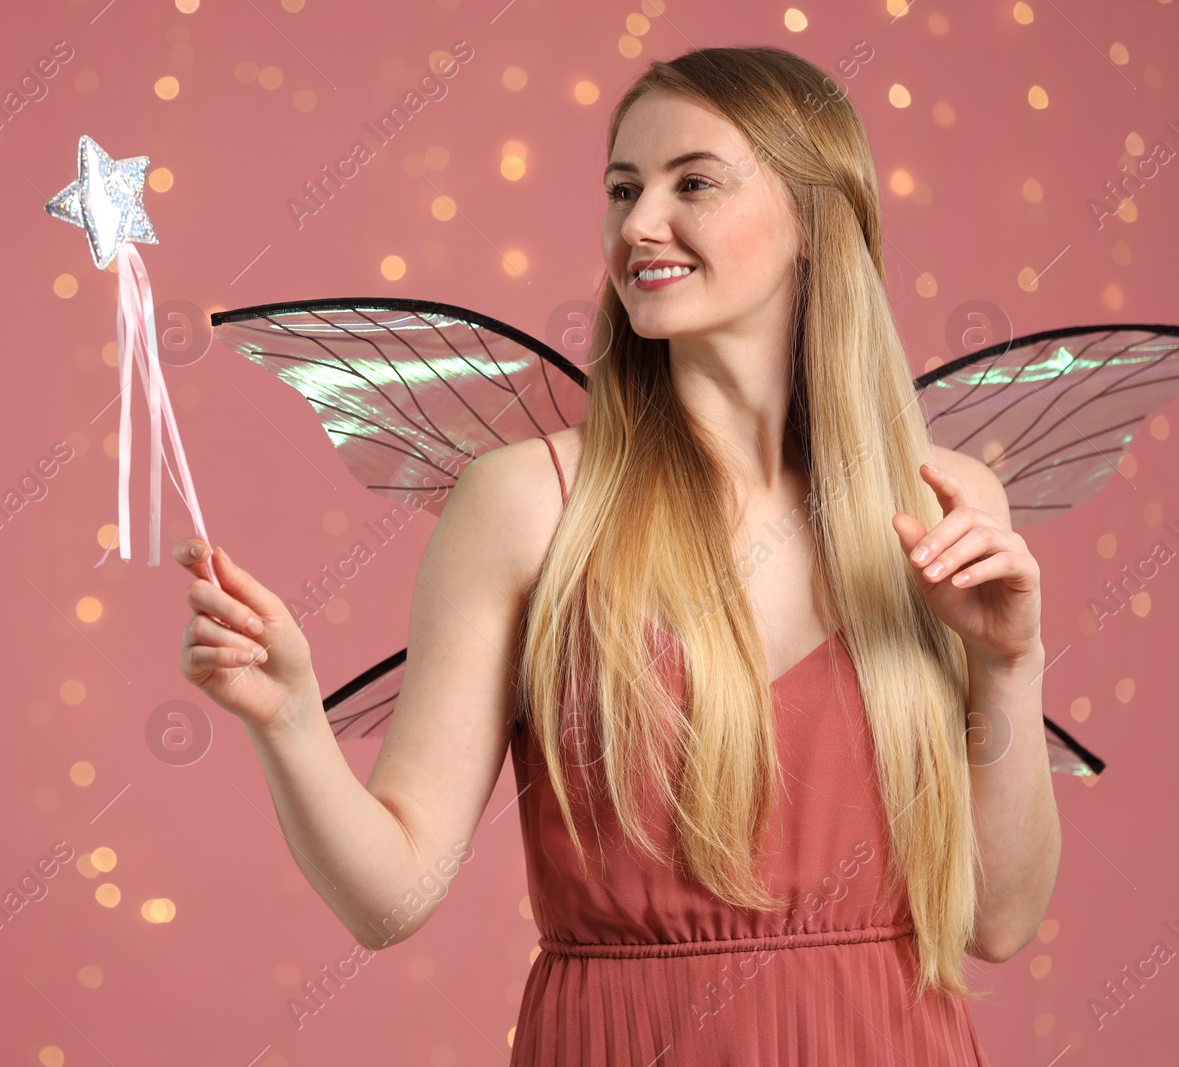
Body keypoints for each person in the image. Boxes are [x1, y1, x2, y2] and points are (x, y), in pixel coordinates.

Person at [171, 45, 1060, 1065]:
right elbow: (392, 895)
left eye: (694, 183)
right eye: (622, 188)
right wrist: (287, 719)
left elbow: (998, 920)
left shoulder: (941, 502)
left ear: (817, 220)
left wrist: (1007, 663)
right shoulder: (528, 503)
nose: (638, 224)